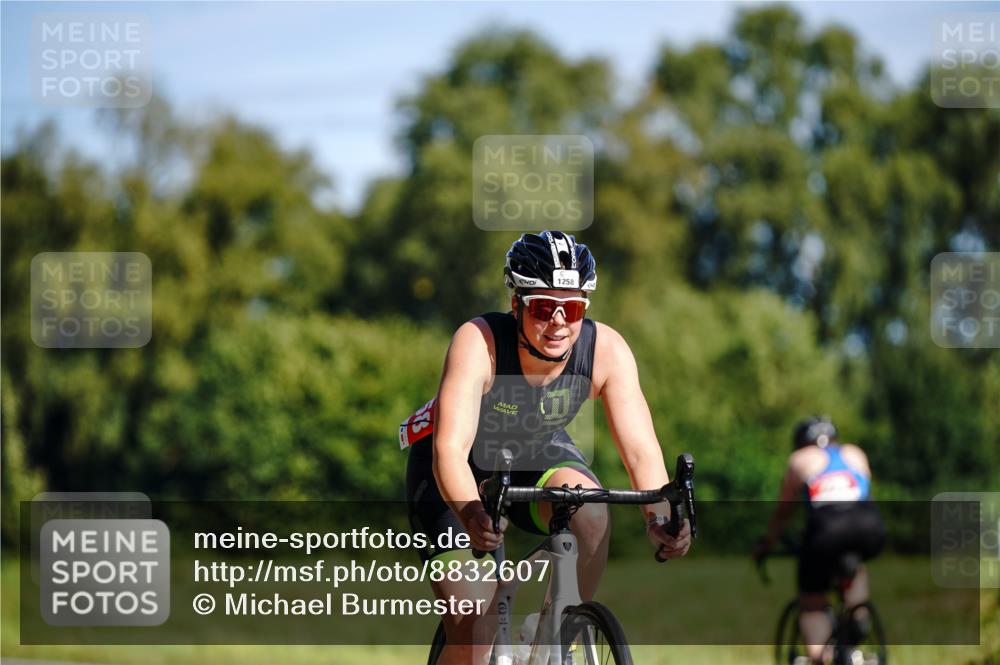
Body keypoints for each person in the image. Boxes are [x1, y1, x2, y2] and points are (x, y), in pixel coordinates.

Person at [401, 230, 692, 665]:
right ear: (516, 304)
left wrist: (662, 518)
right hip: (456, 473)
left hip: (535, 452)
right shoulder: (478, 342)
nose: (558, 321)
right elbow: (450, 451)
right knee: (474, 634)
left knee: (591, 512)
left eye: (572, 308)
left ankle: (558, 637)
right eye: (542, 307)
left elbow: (640, 451)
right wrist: (470, 513)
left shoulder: (605, 350)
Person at [754, 416, 885, 664]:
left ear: (801, 442)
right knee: (854, 564)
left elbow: (784, 513)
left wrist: (767, 543)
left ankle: (819, 657)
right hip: (869, 526)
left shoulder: (800, 459)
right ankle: (858, 616)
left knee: (812, 604)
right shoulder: (854, 452)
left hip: (827, 530)